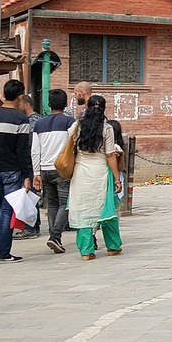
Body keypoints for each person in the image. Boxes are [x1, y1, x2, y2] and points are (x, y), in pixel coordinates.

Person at [0, 79, 32, 263]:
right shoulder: (21, 119)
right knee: (7, 210)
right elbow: (23, 151)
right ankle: (2, 252)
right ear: (19, 97)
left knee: (2, 208)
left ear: (3, 94)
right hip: (13, 171)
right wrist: (27, 175)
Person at [68, 95, 124, 260]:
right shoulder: (107, 129)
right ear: (104, 109)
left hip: (80, 173)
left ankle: (86, 251)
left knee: (83, 211)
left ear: (87, 108)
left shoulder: (76, 127)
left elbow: (71, 148)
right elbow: (110, 155)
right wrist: (117, 179)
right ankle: (113, 246)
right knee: (107, 209)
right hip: (100, 173)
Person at [30, 89, 75, 252]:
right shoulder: (70, 122)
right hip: (62, 169)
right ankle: (55, 236)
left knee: (52, 204)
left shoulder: (39, 124)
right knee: (65, 203)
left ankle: (54, 236)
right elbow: (75, 144)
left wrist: (36, 173)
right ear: (66, 104)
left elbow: (35, 151)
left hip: (45, 169)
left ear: (49, 104)